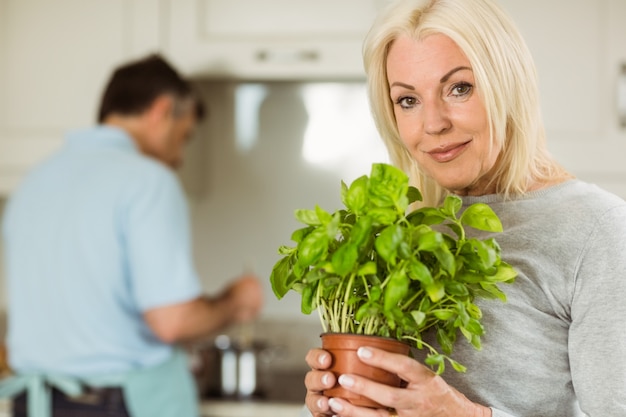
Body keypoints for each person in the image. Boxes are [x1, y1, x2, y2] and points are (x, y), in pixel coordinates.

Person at [303, 0, 626, 416]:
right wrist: (341, 396)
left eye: (460, 88)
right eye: (407, 100)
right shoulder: (402, 233)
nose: (433, 123)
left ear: (506, 85)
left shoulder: (597, 230)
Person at [0, 54, 263, 417]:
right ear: (161, 111)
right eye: (183, 136)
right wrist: (236, 301)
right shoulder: (148, 180)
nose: (179, 157)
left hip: (33, 403)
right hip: (111, 404)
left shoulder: (35, 181)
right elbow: (173, 321)